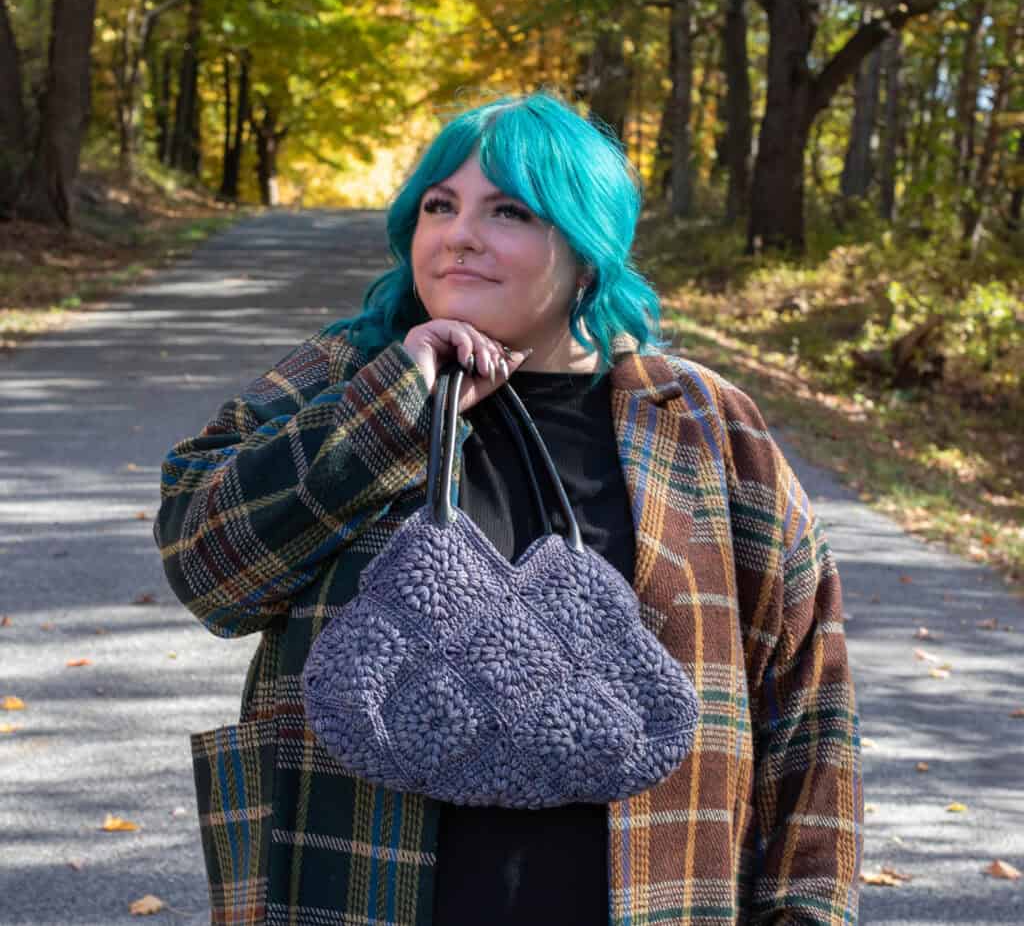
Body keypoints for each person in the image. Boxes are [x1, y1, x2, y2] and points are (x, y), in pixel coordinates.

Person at [155, 91, 863, 926]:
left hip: (650, 894)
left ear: (587, 246)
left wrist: (809, 911)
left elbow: (807, 699)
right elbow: (208, 569)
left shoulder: (703, 423)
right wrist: (398, 398)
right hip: (353, 884)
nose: (459, 234)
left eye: (510, 211)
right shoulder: (349, 373)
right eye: (438, 206)